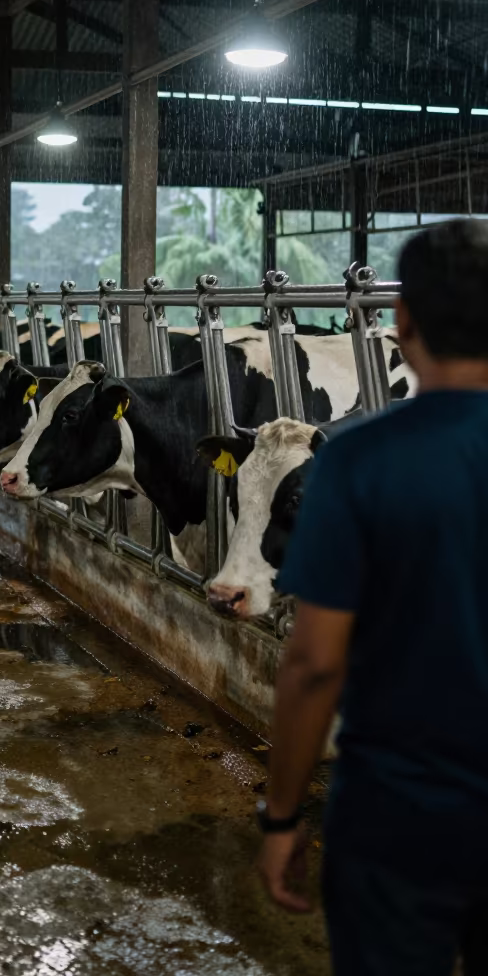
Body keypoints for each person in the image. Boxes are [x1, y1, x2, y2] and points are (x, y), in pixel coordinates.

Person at [256, 219, 488, 975]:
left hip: (397, 812)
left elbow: (315, 663)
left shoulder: (357, 461)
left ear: (401, 321)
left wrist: (283, 814)